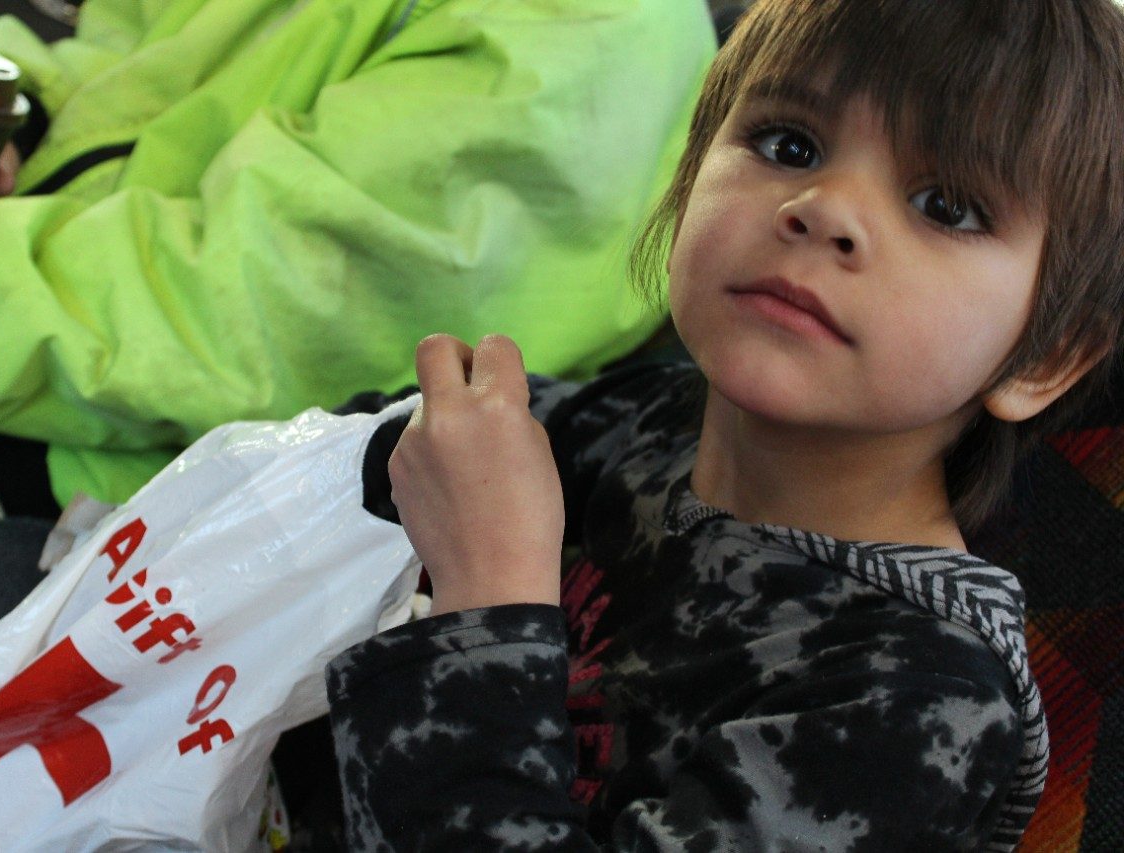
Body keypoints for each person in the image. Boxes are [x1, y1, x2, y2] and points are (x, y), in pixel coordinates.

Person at [318, 0, 1124, 849]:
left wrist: (487, 595)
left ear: (1047, 356)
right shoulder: (640, 425)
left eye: (945, 205)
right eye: (789, 146)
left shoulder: (920, 698)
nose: (823, 209)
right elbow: (369, 460)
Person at [0, 0, 715, 510]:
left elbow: (237, 319)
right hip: (2, 315)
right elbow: (124, 48)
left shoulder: (591, 35)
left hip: (140, 478)